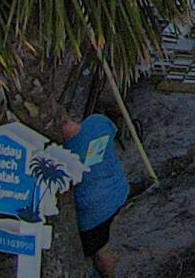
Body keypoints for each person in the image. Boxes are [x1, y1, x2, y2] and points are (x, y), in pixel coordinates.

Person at [64, 112, 131, 274]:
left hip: (93, 214)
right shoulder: (98, 122)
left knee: (100, 252)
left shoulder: (65, 153)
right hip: (119, 190)